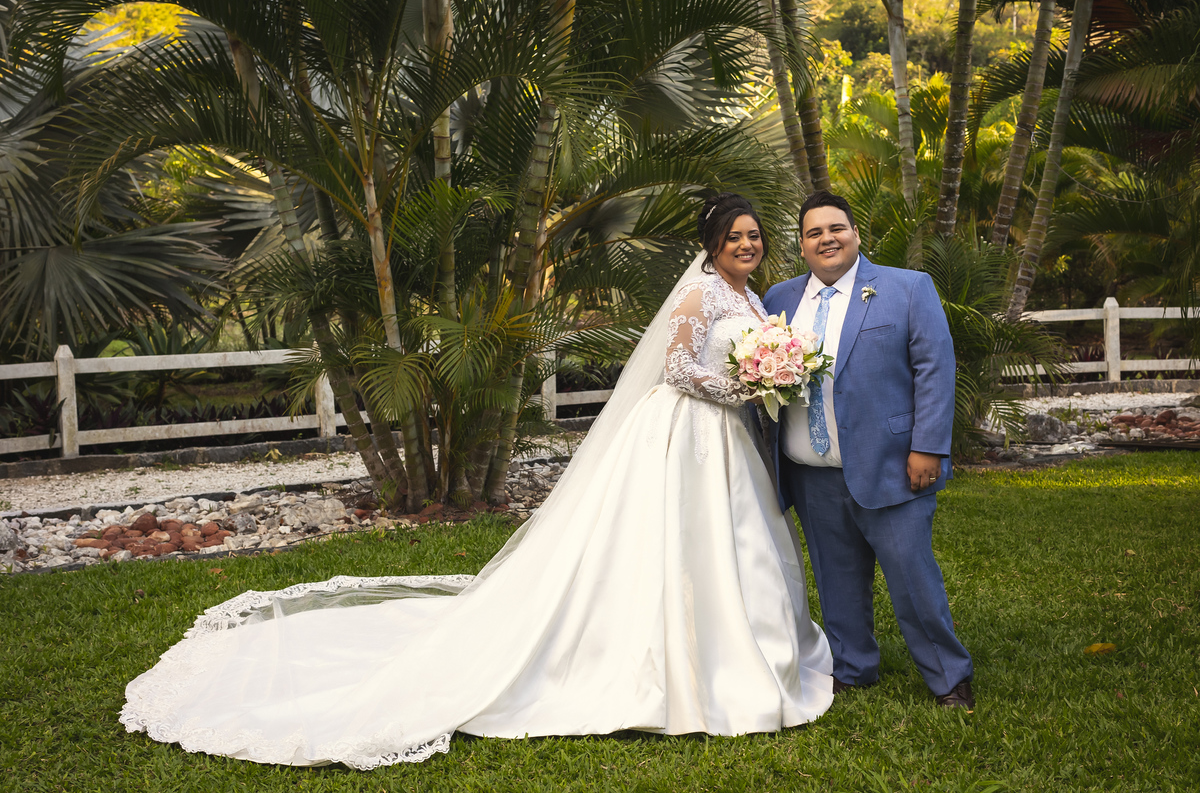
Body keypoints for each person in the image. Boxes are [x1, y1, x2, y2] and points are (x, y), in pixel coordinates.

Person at [120, 193, 834, 769]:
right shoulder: (699, 297)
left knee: (728, 542)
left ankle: (733, 647)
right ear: (711, 244)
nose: (746, 245)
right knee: (674, 541)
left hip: (726, 440)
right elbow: (679, 370)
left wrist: (764, 374)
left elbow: (744, 357)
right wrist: (739, 388)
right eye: (734, 237)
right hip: (685, 430)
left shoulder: (750, 297)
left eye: (753, 236)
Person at [761, 190, 975, 709]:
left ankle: (949, 677)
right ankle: (853, 667)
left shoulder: (906, 288)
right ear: (802, 245)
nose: (826, 239)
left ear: (856, 234)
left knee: (911, 577)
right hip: (810, 471)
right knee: (836, 581)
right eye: (814, 233)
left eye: (836, 228)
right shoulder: (778, 300)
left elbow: (934, 370)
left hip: (893, 465)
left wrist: (927, 447)